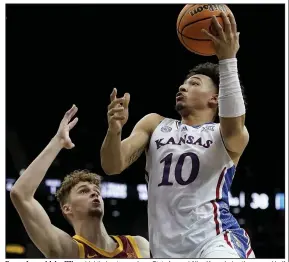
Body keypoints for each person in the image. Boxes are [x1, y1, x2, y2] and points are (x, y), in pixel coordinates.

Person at [100, 12, 255, 258]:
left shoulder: (224, 135)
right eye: (183, 83)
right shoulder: (154, 124)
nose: (183, 86)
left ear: (215, 98)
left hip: (218, 240)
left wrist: (227, 60)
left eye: (194, 83)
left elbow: (235, 126)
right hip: (167, 249)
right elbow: (112, 165)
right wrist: (114, 130)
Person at [10, 105, 149, 259]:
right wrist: (58, 141)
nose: (94, 192)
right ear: (67, 209)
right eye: (84, 190)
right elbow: (20, 194)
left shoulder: (139, 245)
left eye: (96, 190)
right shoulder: (69, 251)